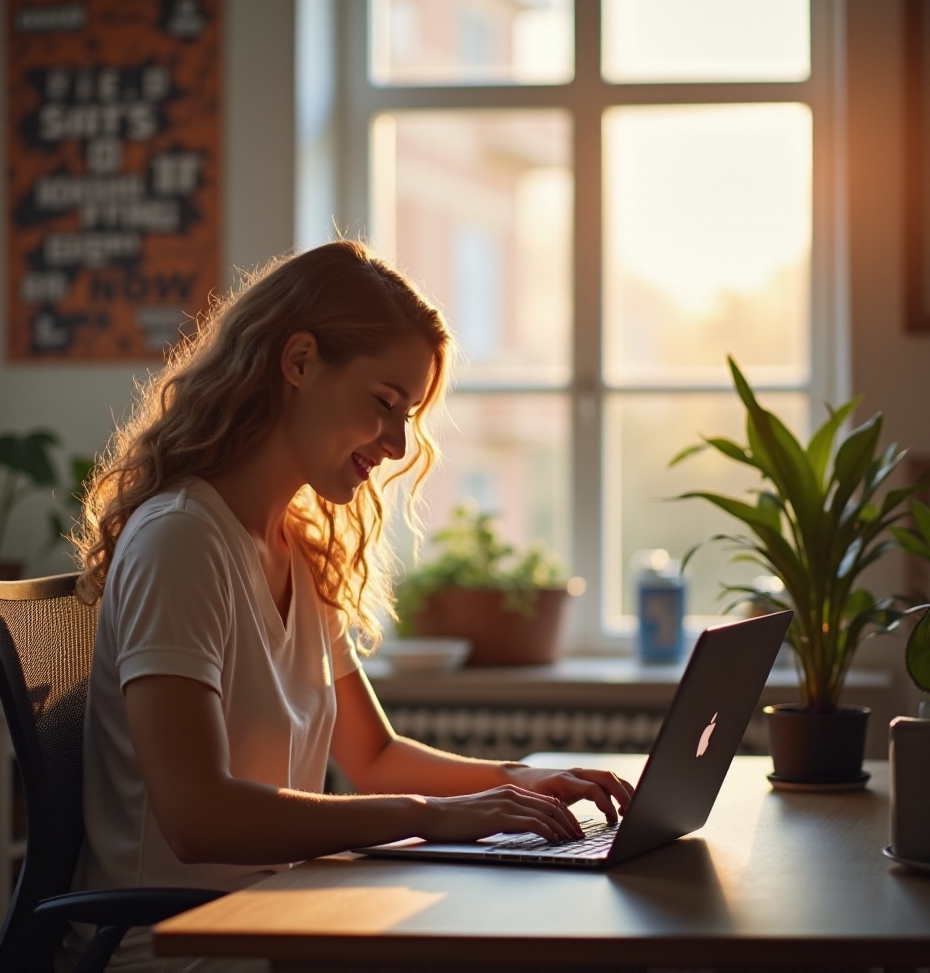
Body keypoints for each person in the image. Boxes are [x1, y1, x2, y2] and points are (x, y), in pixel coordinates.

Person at [63, 240, 633, 972]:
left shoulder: (296, 550)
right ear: (299, 362)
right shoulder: (181, 540)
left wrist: (516, 781)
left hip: (276, 922)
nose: (397, 443)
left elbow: (373, 755)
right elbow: (198, 816)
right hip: (179, 952)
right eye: (384, 403)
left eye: (408, 414)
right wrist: (435, 817)